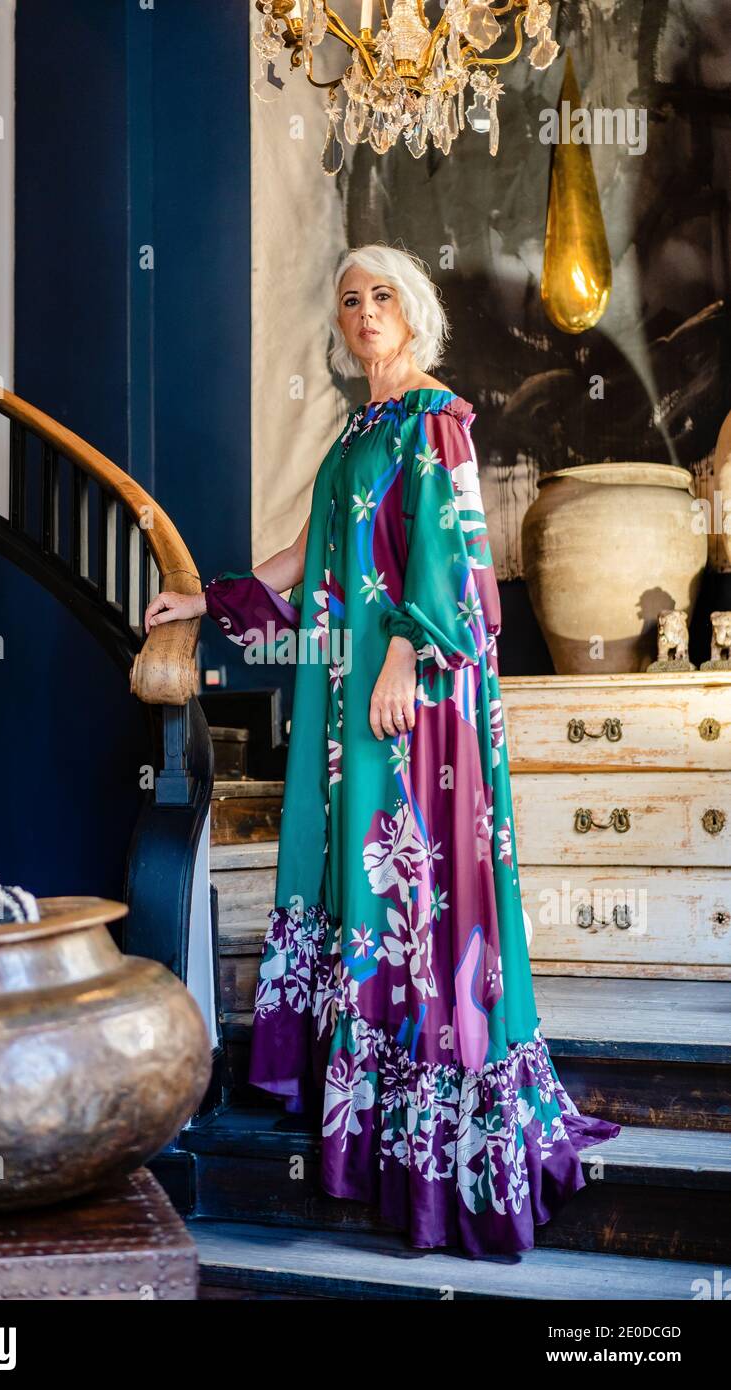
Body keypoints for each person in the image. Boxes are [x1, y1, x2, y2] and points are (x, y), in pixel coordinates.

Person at [144, 243, 620, 1258]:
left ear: (415, 314)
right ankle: (376, 1125)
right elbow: (313, 542)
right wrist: (210, 596)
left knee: (412, 882)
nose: (364, 312)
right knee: (364, 880)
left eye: (382, 297)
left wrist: (404, 652)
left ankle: (439, 1132)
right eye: (349, 299)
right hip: (361, 685)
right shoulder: (360, 426)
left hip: (415, 693)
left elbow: (453, 549)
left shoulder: (433, 419)